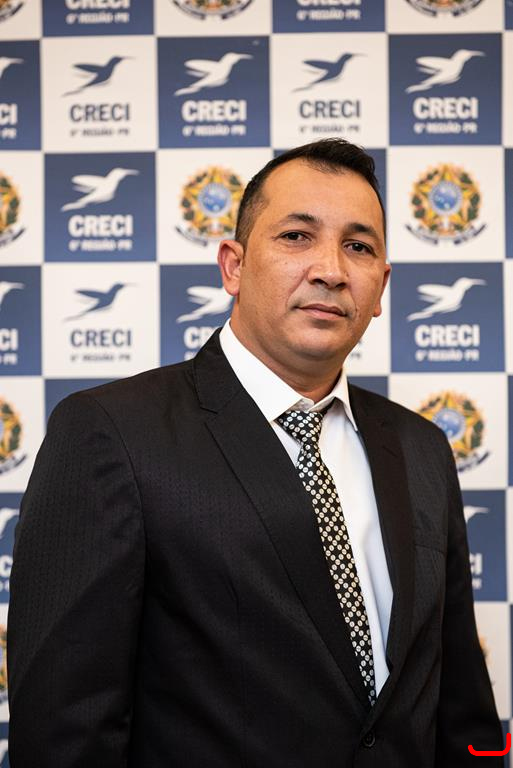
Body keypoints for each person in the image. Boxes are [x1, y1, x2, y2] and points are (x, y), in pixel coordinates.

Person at [8, 139, 503, 767]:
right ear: (233, 267)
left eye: (358, 246)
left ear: (381, 286)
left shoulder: (422, 447)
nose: (331, 270)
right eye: (297, 236)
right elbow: (62, 731)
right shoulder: (110, 433)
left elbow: (461, 706)